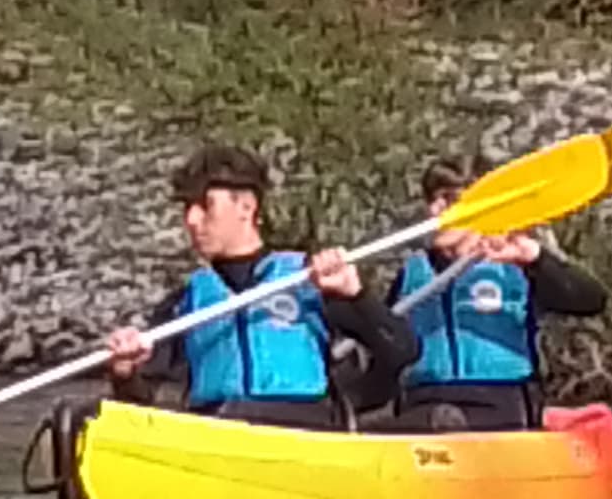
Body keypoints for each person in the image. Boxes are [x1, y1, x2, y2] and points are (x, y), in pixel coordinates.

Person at [100, 144, 416, 430]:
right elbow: (143, 404)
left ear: (246, 207)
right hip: (219, 434)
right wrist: (125, 373)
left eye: (204, 204)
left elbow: (402, 351)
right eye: (187, 208)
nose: (192, 220)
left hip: (303, 433)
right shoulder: (185, 303)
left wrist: (357, 297)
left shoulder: (308, 281)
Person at [377, 154, 607, 431]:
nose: (435, 211)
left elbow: (592, 300)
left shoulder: (517, 268)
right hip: (422, 403)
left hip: (502, 405)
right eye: (432, 199)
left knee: (441, 420)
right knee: (424, 420)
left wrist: (535, 258)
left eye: (449, 200)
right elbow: (383, 350)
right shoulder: (411, 274)